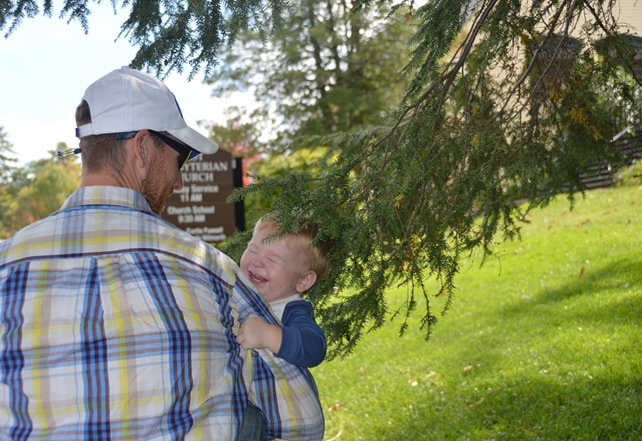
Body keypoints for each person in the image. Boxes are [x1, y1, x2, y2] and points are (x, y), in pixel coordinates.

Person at [0, 66, 324, 441]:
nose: (180, 180)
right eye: (180, 158)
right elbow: (301, 423)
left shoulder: (6, 263)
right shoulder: (212, 272)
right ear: (141, 148)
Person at [237, 215, 329, 368]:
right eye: (252, 250)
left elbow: (315, 349)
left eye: (272, 259)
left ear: (303, 281)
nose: (257, 261)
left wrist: (268, 335)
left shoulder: (291, 309)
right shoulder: (234, 288)